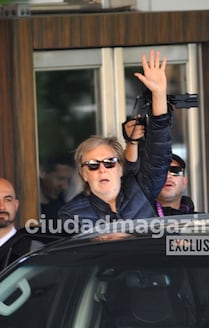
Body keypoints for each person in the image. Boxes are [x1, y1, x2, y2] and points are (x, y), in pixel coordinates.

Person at [58, 49, 172, 223]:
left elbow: (159, 155)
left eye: (110, 163)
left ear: (120, 168)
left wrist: (159, 94)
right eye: (93, 165)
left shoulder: (141, 189)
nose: (102, 169)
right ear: (83, 174)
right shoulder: (71, 215)